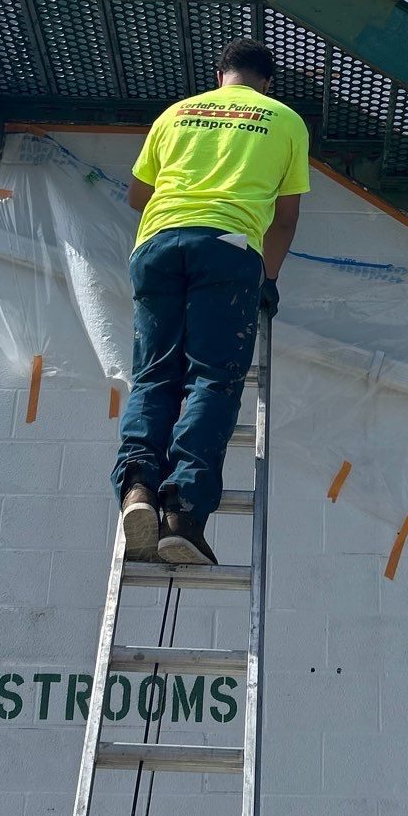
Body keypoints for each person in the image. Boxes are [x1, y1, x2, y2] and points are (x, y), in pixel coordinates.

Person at [111, 38, 309, 565]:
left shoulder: (176, 113)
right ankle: (183, 512)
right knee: (212, 379)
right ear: (267, 82)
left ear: (220, 75)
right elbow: (285, 218)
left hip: (157, 245)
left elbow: (137, 195)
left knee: (155, 376)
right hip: (228, 247)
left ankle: (137, 488)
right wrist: (267, 278)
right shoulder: (285, 121)